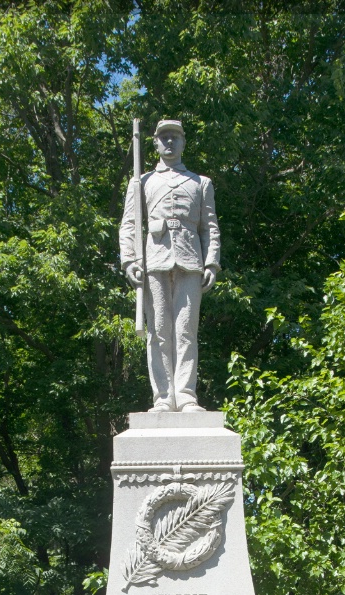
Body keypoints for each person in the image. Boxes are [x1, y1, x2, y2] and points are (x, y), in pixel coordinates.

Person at [119, 119, 221, 412]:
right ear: (154, 142)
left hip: (191, 261)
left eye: (175, 137)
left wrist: (212, 261)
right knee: (159, 331)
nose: (169, 142)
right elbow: (128, 224)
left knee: (186, 331)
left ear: (183, 142)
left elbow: (209, 227)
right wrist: (129, 260)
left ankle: (186, 394)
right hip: (154, 259)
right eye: (164, 137)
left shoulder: (201, 183)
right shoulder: (142, 182)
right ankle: (163, 397)